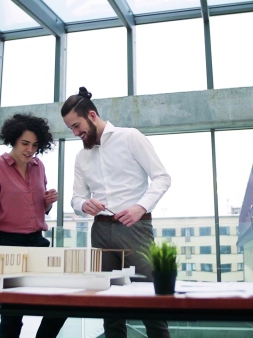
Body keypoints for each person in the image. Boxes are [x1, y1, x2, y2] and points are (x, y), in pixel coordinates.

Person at [61, 87, 172, 338]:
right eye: (71, 129)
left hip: (136, 229)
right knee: (109, 310)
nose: (76, 133)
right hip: (100, 232)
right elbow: (76, 198)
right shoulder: (81, 156)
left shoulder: (131, 137)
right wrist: (83, 205)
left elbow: (162, 178)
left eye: (77, 126)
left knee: (151, 303)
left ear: (91, 115)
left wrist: (140, 206)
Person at [0, 113, 67, 338]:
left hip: (37, 242)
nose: (30, 150)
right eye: (25, 143)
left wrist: (47, 204)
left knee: (62, 303)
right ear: (13, 141)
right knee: (12, 316)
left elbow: (38, 210)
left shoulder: (39, 166)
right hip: (8, 243)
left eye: (35, 145)